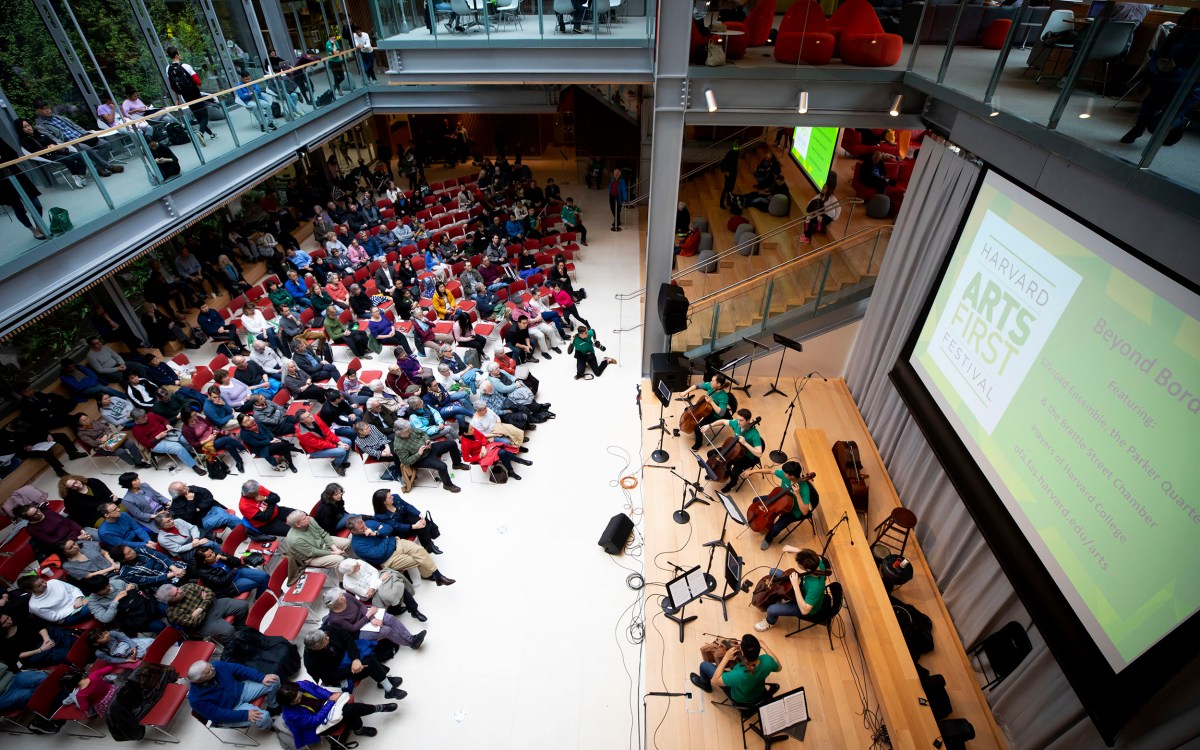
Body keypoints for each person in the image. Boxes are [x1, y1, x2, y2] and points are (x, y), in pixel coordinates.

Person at [1120, 9, 1200, 147]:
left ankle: (1180, 122)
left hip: (1190, 87)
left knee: (1155, 126)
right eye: (1195, 16)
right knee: (1148, 105)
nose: (1196, 19)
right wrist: (1157, 70)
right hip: (1167, 78)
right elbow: (1159, 54)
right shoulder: (1180, 32)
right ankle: (1138, 129)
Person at [345, 514, 456, 585]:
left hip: (397, 543)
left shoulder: (368, 523)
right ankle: (429, 575)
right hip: (388, 558)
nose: (365, 528)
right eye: (361, 528)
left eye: (364, 525)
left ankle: (437, 576)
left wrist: (377, 533)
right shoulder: (358, 545)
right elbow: (379, 554)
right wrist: (385, 536)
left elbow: (388, 528)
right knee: (418, 559)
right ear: (353, 532)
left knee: (421, 551)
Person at [301, 627, 406, 699]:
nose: (328, 637)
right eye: (324, 640)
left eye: (325, 636)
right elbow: (330, 677)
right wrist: (352, 668)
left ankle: (385, 684)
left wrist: (355, 659)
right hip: (338, 669)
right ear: (316, 647)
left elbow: (348, 639)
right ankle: (388, 687)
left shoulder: (326, 630)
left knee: (368, 657)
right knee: (368, 662)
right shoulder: (311, 662)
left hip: (347, 653)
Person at [32, 100, 123, 175]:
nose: (47, 110)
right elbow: (53, 139)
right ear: (37, 111)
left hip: (81, 137)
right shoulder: (41, 126)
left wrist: (87, 134)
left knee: (104, 144)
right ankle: (108, 166)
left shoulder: (60, 118)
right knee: (85, 148)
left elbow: (77, 127)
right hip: (70, 143)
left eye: (47, 108)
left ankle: (99, 168)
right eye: (43, 109)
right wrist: (65, 144)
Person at [754, 546, 831, 634]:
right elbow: (812, 555)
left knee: (771, 609)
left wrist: (795, 586)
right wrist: (796, 550)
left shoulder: (816, 588)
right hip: (802, 587)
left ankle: (770, 622)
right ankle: (779, 596)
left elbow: (805, 610)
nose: (798, 565)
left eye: (799, 565)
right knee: (773, 571)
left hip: (803, 604)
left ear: (807, 569)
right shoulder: (818, 561)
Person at [689, 633, 780, 705]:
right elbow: (779, 667)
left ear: (743, 653)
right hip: (758, 692)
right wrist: (764, 645)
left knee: (704, 666)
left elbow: (715, 681)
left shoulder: (739, 674)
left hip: (742, 699)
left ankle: (706, 686)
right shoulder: (767, 660)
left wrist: (726, 658)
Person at [186, 660, 279, 729]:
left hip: (241, 690)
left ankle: (273, 706)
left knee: (273, 680)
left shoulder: (217, 665)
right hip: (230, 709)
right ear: (201, 679)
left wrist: (261, 677)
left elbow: (239, 668)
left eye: (210, 665)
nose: (213, 668)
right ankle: (271, 727)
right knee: (264, 718)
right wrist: (245, 715)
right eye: (209, 671)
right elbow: (217, 715)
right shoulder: (195, 699)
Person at [323, 588, 424, 651]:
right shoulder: (335, 618)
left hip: (366, 615)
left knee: (390, 618)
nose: (344, 598)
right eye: (341, 599)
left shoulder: (346, 595)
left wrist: (371, 618)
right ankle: (411, 644)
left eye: (342, 596)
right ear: (335, 604)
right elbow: (353, 629)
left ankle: (411, 639)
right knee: (386, 630)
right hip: (359, 631)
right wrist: (368, 617)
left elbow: (360, 605)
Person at [157, 582, 249, 644]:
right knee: (228, 630)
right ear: (170, 601)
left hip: (215, 604)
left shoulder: (187, 587)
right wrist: (204, 601)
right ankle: (231, 646)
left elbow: (210, 593)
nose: (180, 591)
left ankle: (240, 628)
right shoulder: (172, 613)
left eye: (177, 588)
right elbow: (195, 622)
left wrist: (199, 610)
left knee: (243, 605)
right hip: (204, 623)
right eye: (176, 594)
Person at [337, 557, 425, 621]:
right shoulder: (348, 584)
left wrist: (374, 585)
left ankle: (414, 611)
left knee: (397, 585)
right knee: (390, 592)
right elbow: (367, 594)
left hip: (379, 579)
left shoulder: (359, 562)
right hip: (374, 591)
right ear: (350, 572)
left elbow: (374, 571)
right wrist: (379, 581)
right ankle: (396, 609)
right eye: (357, 567)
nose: (359, 564)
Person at [391, 418, 466, 492]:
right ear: (400, 433)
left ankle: (457, 464)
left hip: (428, 448)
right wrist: (418, 453)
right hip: (421, 459)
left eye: (409, 429)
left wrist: (427, 440)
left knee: (452, 444)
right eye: (407, 431)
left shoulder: (409, 429)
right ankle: (447, 485)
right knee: (442, 466)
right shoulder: (399, 446)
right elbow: (405, 461)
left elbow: (422, 433)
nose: (410, 431)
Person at [165, 46, 217, 141]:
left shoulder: (168, 68)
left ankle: (211, 133)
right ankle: (200, 133)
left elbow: (172, 86)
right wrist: (197, 87)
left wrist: (177, 98)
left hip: (185, 95)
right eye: (179, 53)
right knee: (204, 114)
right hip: (194, 93)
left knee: (197, 114)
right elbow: (197, 81)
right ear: (176, 55)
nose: (180, 55)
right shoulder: (185, 66)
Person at [284, 510, 355, 577]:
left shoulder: (310, 520)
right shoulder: (295, 539)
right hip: (312, 557)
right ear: (298, 525)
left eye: (306, 515)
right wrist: (333, 553)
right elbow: (313, 552)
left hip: (322, 542)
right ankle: (343, 581)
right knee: (339, 560)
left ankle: (355, 562)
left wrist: (335, 548)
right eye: (304, 518)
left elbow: (323, 533)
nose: (308, 517)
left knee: (348, 543)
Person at [710, 408, 765, 493]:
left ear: (748, 420)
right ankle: (715, 471)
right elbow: (723, 421)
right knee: (711, 453)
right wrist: (710, 425)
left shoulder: (754, 434)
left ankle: (732, 483)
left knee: (733, 472)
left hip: (747, 456)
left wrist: (745, 443)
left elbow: (759, 454)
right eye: (738, 419)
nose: (738, 422)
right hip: (734, 449)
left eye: (741, 420)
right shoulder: (737, 423)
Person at [180, 409, 247, 472]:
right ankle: (244, 449)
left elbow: (210, 425)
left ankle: (239, 462)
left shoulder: (198, 418)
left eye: (195, 414)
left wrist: (214, 430)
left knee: (228, 445)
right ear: (187, 418)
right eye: (193, 416)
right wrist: (207, 440)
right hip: (205, 445)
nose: (196, 416)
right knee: (227, 439)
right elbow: (194, 444)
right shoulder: (185, 430)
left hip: (214, 436)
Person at [191, 545, 269, 597]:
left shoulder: (219, 554)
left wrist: (226, 558)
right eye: (209, 556)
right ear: (203, 561)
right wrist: (234, 571)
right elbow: (221, 582)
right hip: (230, 585)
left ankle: (264, 593)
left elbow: (238, 562)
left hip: (237, 572)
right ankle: (259, 599)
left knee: (265, 576)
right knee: (259, 582)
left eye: (212, 552)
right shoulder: (203, 572)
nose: (213, 555)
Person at [295, 409, 353, 476]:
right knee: (342, 451)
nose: (311, 416)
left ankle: (342, 463)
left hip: (325, 440)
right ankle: (336, 465)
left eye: (309, 414)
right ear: (302, 421)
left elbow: (327, 431)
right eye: (308, 417)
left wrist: (339, 442)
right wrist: (337, 446)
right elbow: (319, 445)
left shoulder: (315, 417)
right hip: (316, 450)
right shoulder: (301, 434)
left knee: (348, 442)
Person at [683, 374, 733, 450]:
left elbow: (721, 413)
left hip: (715, 415)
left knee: (697, 428)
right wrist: (685, 392)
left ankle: (698, 444)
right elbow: (697, 385)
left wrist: (712, 402)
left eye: (713, 381)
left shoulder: (723, 397)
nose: (710, 382)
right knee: (688, 409)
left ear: (718, 384)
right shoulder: (711, 386)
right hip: (706, 409)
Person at [20, 575, 93, 625]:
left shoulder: (53, 582)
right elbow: (55, 617)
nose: (44, 584)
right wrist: (75, 606)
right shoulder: (35, 605)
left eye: (43, 581)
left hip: (79, 602)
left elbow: (73, 589)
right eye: (39, 586)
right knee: (94, 604)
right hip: (67, 617)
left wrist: (78, 599)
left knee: (98, 594)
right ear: (30, 590)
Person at [802, 174, 840, 243]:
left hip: (827, 217)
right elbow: (810, 202)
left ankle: (807, 238)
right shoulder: (819, 195)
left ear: (829, 190)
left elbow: (838, 208)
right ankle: (806, 235)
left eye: (825, 188)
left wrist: (835, 218)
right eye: (823, 187)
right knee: (806, 218)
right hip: (819, 214)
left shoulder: (832, 198)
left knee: (811, 220)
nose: (823, 189)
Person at [719, 141, 741, 209]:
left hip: (734, 173)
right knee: (726, 188)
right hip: (729, 173)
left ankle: (728, 201)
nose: (736, 148)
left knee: (731, 188)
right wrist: (725, 171)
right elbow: (722, 163)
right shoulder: (730, 153)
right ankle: (721, 203)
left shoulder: (737, 152)